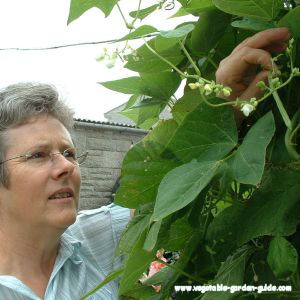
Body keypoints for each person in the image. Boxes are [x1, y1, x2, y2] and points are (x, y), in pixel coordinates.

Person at [0, 82, 130, 299]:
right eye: (38, 155)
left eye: (69, 153)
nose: (67, 166)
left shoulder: (93, 237)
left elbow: (168, 198)